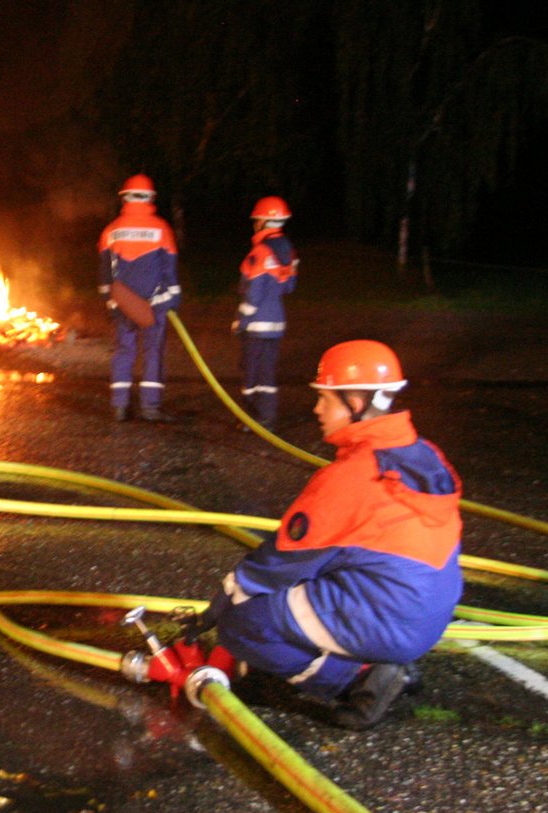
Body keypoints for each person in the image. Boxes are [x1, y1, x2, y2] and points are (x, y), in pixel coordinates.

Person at [186, 340, 462, 729]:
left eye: (325, 399)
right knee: (309, 587)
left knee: (243, 624)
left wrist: (222, 602)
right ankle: (381, 658)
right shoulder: (424, 453)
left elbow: (280, 563)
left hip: (391, 618)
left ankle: (361, 679)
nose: (317, 409)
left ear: (356, 402)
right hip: (428, 611)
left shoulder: (351, 476)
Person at [98, 174, 181, 422]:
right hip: (154, 306)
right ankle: (150, 407)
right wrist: (173, 300)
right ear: (150, 198)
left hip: (124, 304)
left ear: (125, 198)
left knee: (124, 351)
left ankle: (120, 406)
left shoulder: (112, 230)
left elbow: (105, 272)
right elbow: (169, 271)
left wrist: (110, 302)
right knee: (153, 352)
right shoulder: (161, 229)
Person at [235, 196, 298, 427]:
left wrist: (241, 321)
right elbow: (289, 286)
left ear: (262, 222)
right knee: (267, 373)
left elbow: (253, 294)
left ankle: (252, 418)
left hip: (256, 325)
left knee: (251, 372)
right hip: (276, 322)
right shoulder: (289, 252)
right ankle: (267, 416)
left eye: (256, 221)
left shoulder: (259, 253)